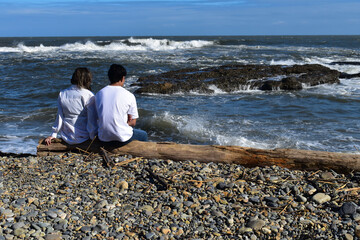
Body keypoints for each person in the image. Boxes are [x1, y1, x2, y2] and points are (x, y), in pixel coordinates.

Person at [94, 64, 147, 145]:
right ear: (122, 78)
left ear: (109, 77)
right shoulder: (129, 95)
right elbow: (133, 122)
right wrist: (124, 122)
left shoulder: (99, 94)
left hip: (103, 138)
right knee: (143, 135)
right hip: (122, 138)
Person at [45, 68, 96, 145]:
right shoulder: (89, 95)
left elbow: (60, 116)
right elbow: (91, 120)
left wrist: (53, 134)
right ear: (87, 80)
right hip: (84, 137)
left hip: (67, 137)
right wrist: (93, 138)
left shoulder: (62, 93)